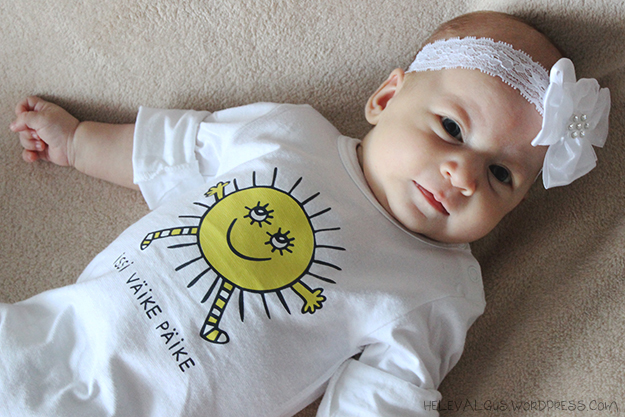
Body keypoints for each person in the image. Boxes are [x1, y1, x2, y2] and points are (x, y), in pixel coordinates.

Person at [2, 10, 610, 417]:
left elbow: (386, 393)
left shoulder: (439, 287)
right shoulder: (289, 133)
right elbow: (176, 150)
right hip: (62, 330)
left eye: (501, 174)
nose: (464, 175)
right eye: (451, 128)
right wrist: (77, 142)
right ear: (386, 98)